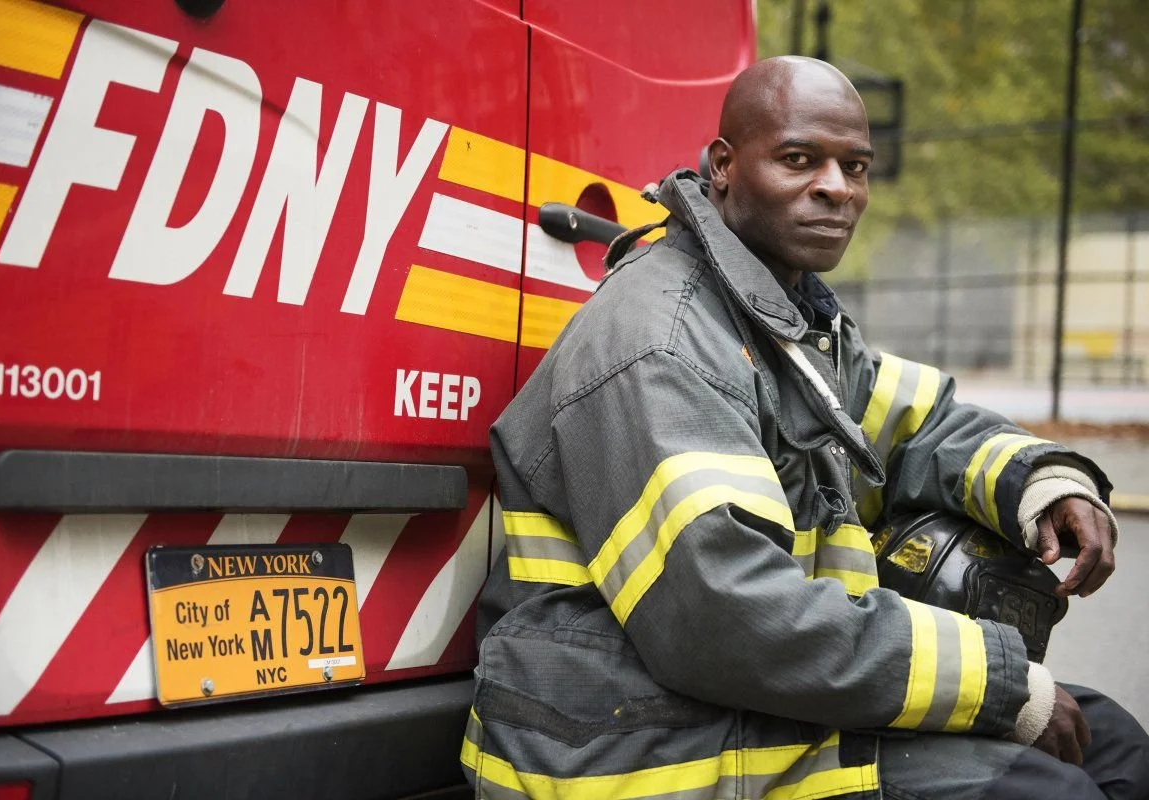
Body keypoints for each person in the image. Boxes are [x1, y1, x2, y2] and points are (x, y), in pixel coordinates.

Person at [463, 56, 1149, 799]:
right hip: (633, 749)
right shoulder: (661, 342)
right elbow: (729, 618)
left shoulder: (785, 325)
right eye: (799, 159)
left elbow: (919, 426)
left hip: (745, 710)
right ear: (723, 167)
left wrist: (1041, 483)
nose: (837, 187)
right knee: (1047, 786)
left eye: (855, 166)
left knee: (1109, 741)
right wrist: (1000, 684)